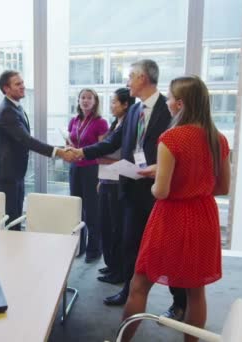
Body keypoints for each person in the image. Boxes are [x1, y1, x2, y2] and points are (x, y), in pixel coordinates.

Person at [68, 60, 187, 316]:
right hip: (132, 189)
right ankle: (128, 290)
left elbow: (178, 150)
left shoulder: (170, 110)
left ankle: (180, 301)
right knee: (130, 244)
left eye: (131, 76)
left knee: (167, 249)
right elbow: (113, 141)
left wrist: (159, 168)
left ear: (143, 78)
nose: (127, 82)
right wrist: (82, 152)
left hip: (160, 191)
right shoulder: (133, 111)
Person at [119, 76, 231, 342]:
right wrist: (191, 183)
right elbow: (222, 187)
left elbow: (162, 191)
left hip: (172, 217)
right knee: (196, 291)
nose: (167, 102)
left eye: (169, 98)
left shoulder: (171, 137)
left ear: (179, 104)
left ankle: (121, 340)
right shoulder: (219, 138)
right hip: (203, 216)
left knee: (139, 285)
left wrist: (156, 177)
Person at [0, 70, 70, 231]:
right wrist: (59, 152)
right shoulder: (7, 110)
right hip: (7, 172)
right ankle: (10, 252)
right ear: (6, 88)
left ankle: (16, 249)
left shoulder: (15, 107)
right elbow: (26, 140)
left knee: (16, 214)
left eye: (22, 83)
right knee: (11, 218)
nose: (23, 87)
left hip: (15, 170)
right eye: (18, 84)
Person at [96, 88, 134, 284]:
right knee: (106, 225)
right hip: (106, 180)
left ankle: (118, 270)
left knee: (117, 228)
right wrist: (100, 180)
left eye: (114, 102)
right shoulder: (116, 123)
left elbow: (125, 157)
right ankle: (111, 266)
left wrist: (99, 157)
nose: (111, 106)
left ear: (125, 104)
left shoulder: (129, 124)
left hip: (118, 182)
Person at [67, 88, 108, 261]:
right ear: (78, 101)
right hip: (75, 168)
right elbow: (69, 141)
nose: (85, 101)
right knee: (76, 209)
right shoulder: (74, 120)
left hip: (91, 169)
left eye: (89, 98)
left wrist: (82, 152)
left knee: (92, 210)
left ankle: (94, 249)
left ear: (95, 101)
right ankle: (79, 246)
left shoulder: (101, 122)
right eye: (82, 98)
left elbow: (102, 150)